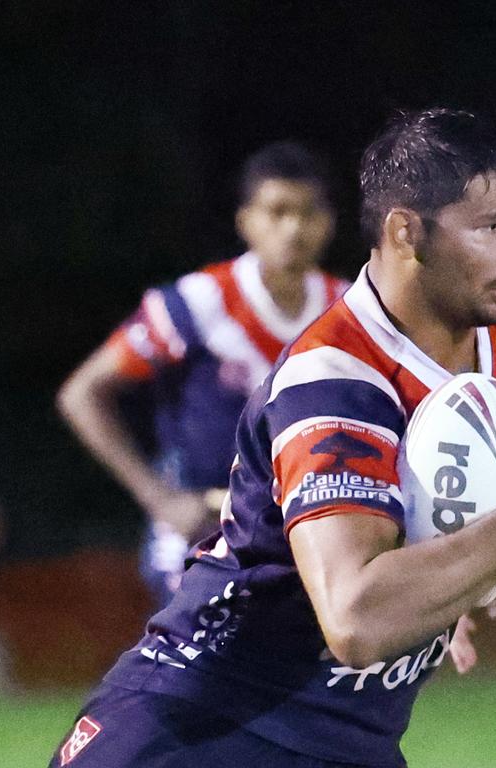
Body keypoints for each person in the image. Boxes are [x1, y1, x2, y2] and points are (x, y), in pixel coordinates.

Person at [50, 108, 496, 768]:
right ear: (407, 232)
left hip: (346, 738)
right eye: (492, 228)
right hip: (206, 728)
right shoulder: (334, 378)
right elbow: (358, 618)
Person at [57, 141, 349, 606]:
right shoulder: (197, 302)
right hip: (205, 532)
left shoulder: (348, 310)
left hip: (310, 530)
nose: (293, 228)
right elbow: (82, 392)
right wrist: (159, 498)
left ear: (329, 220)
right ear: (246, 219)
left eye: (308, 211)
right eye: (277, 211)